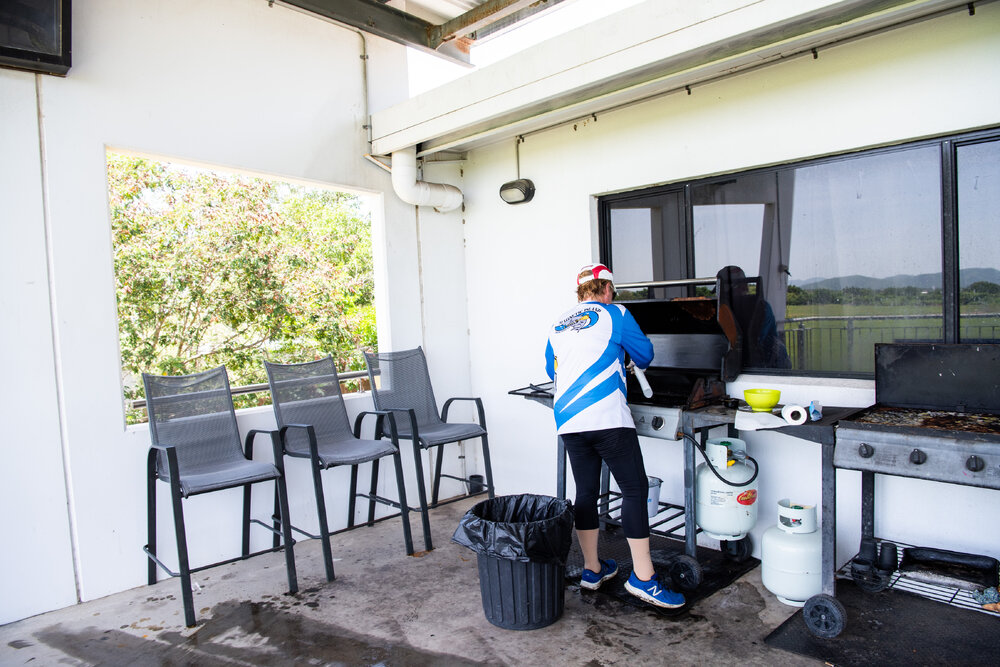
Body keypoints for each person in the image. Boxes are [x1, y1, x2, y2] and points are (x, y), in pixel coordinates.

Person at [544, 263, 685, 609]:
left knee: (587, 493)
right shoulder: (616, 313)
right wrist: (620, 358)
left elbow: (553, 368)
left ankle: (593, 569)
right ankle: (643, 578)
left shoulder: (559, 322)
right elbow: (646, 354)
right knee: (635, 489)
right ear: (607, 289)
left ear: (581, 292)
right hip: (606, 417)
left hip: (568, 419)